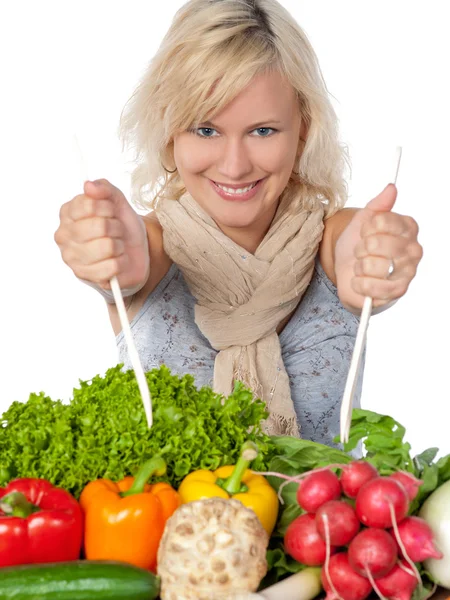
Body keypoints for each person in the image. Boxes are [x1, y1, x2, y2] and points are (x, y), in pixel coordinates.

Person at [54, 0, 422, 446]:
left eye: (262, 131)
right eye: (205, 130)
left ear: (303, 131)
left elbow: (354, 247)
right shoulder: (144, 249)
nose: (234, 166)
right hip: (165, 518)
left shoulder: (334, 240)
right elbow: (128, 261)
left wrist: (376, 255)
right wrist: (101, 250)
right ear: (170, 134)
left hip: (326, 517)